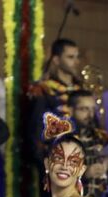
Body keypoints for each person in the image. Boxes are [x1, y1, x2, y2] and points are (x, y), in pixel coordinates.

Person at [28, 39, 83, 167]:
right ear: (56, 60)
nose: (76, 62)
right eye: (70, 57)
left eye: (77, 57)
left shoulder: (81, 89)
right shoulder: (44, 90)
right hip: (56, 159)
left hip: (81, 156)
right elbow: (36, 128)